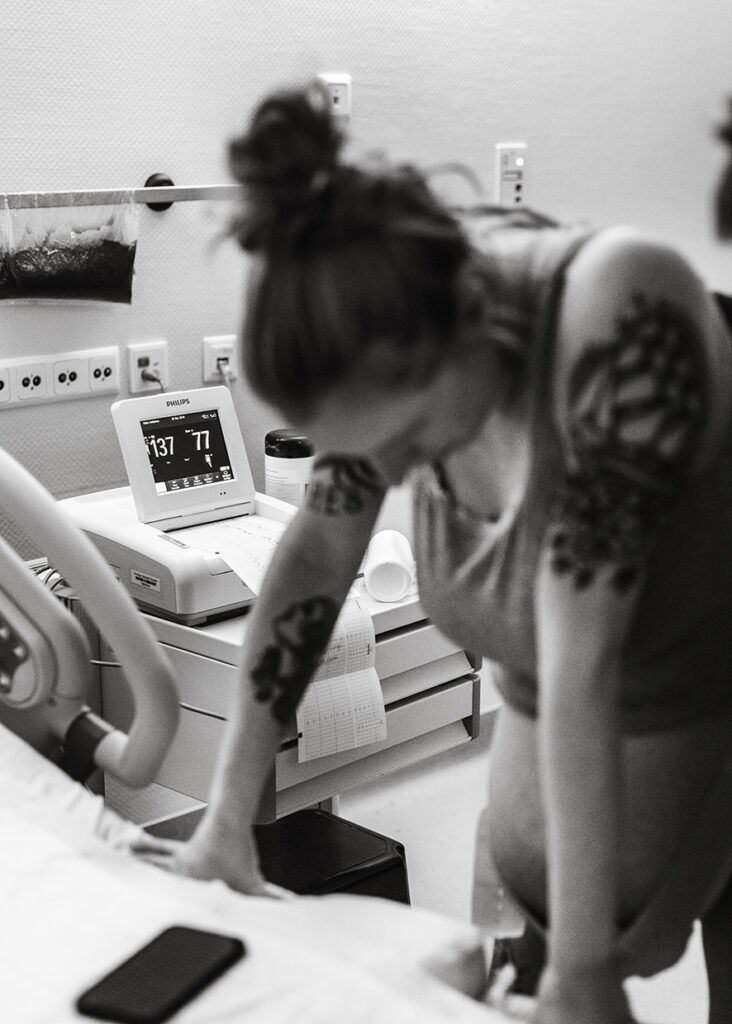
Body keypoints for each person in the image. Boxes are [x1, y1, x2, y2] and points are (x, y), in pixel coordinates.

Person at [134, 82, 732, 1024]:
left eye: (406, 445)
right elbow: (317, 559)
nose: (395, 476)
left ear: (459, 334)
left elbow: (581, 665)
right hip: (577, 845)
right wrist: (226, 824)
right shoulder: (392, 329)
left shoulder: (617, 312)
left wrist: (584, 972)